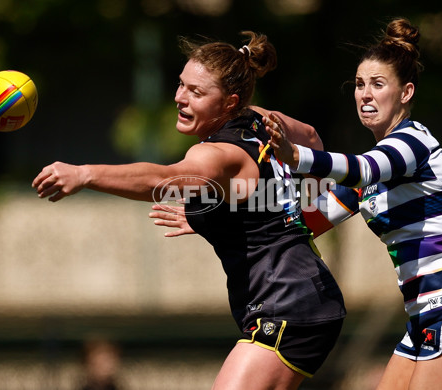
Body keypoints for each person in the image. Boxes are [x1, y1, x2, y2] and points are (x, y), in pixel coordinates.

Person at [32, 31, 346, 390]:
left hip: (287, 307)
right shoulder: (261, 118)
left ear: (229, 103)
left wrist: (86, 174)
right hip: (306, 299)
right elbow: (310, 139)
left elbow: (164, 180)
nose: (180, 98)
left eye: (196, 93)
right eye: (181, 85)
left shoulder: (215, 153)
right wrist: (229, 214)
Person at [264, 18, 442, 390]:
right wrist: (216, 213)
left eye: (378, 85)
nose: (365, 94)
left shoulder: (413, 143)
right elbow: (302, 222)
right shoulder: (372, 172)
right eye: (360, 85)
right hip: (424, 315)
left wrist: (294, 154)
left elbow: (362, 169)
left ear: (406, 92)